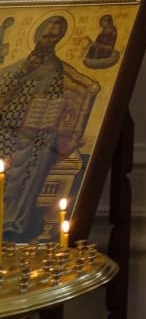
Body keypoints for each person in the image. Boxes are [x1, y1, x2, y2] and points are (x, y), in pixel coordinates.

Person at [0, 15, 101, 241]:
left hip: (31, 132)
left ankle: (12, 221)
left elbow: (49, 110)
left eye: (54, 37)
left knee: (36, 155)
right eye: (45, 35)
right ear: (37, 35)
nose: (48, 41)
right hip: (6, 129)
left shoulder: (53, 71)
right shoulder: (21, 66)